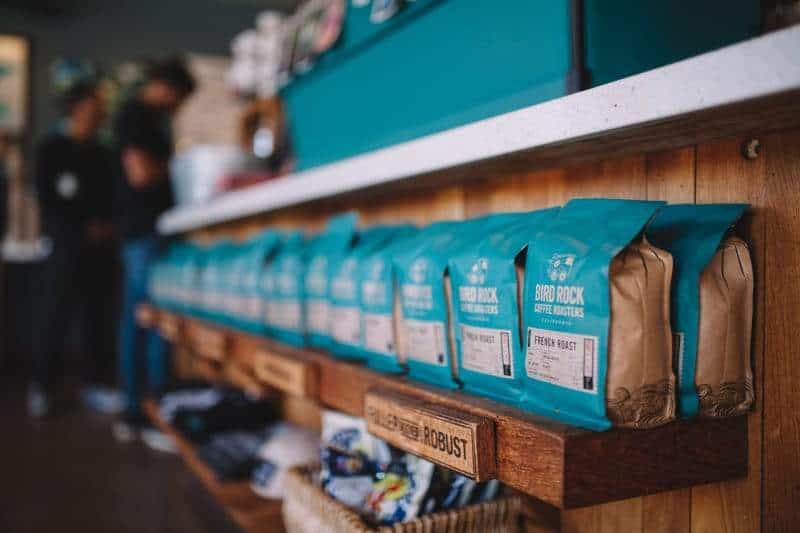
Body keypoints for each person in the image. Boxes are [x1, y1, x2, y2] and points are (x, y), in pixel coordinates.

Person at [112, 58, 195, 447]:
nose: (177, 107)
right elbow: (140, 173)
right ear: (165, 86)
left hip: (149, 231)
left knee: (146, 317)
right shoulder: (135, 116)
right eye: (178, 98)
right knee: (145, 318)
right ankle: (139, 412)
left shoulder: (146, 119)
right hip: (142, 232)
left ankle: (146, 408)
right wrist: (179, 169)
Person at [29, 81, 117, 417]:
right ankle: (42, 386)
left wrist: (105, 226)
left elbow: (111, 200)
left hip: (99, 249)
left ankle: (95, 384)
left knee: (96, 316)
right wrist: (79, 227)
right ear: (78, 108)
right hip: (64, 245)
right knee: (54, 315)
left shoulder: (102, 153)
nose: (100, 114)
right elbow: (47, 199)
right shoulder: (51, 148)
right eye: (94, 107)